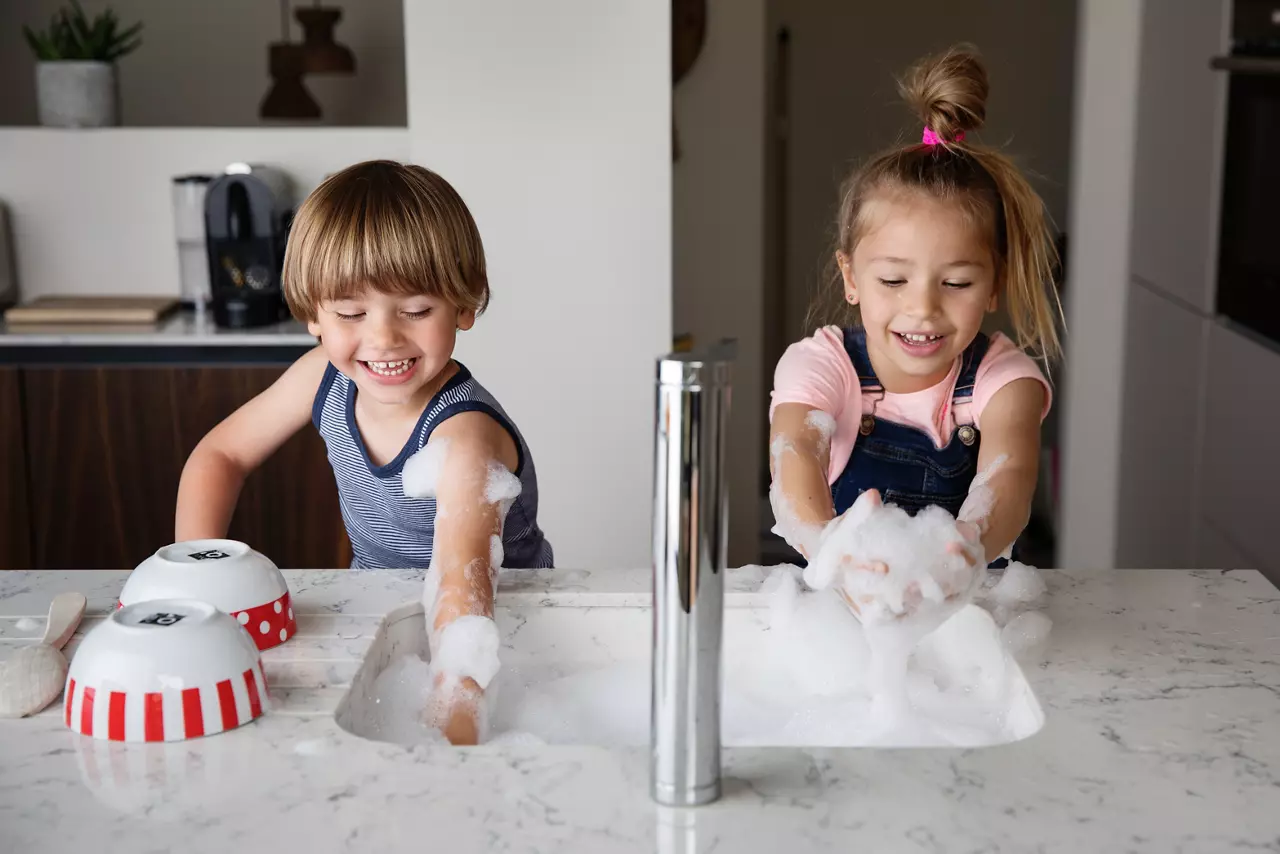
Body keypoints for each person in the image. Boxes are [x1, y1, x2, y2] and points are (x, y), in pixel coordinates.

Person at [174, 160, 553, 743]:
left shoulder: (463, 438)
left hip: (506, 642)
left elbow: (463, 604)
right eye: (351, 313)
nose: (383, 338)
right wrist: (196, 582)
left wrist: (451, 747)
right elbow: (220, 454)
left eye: (417, 310)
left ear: (465, 305)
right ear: (313, 315)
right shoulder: (322, 378)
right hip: (381, 618)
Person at [768, 45, 1063, 612]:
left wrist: (964, 551)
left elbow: (1012, 478)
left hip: (970, 626)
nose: (923, 309)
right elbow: (796, 451)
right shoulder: (822, 365)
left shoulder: (1005, 381)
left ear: (995, 283)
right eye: (894, 281)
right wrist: (830, 548)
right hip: (841, 618)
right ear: (851, 277)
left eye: (956, 283)